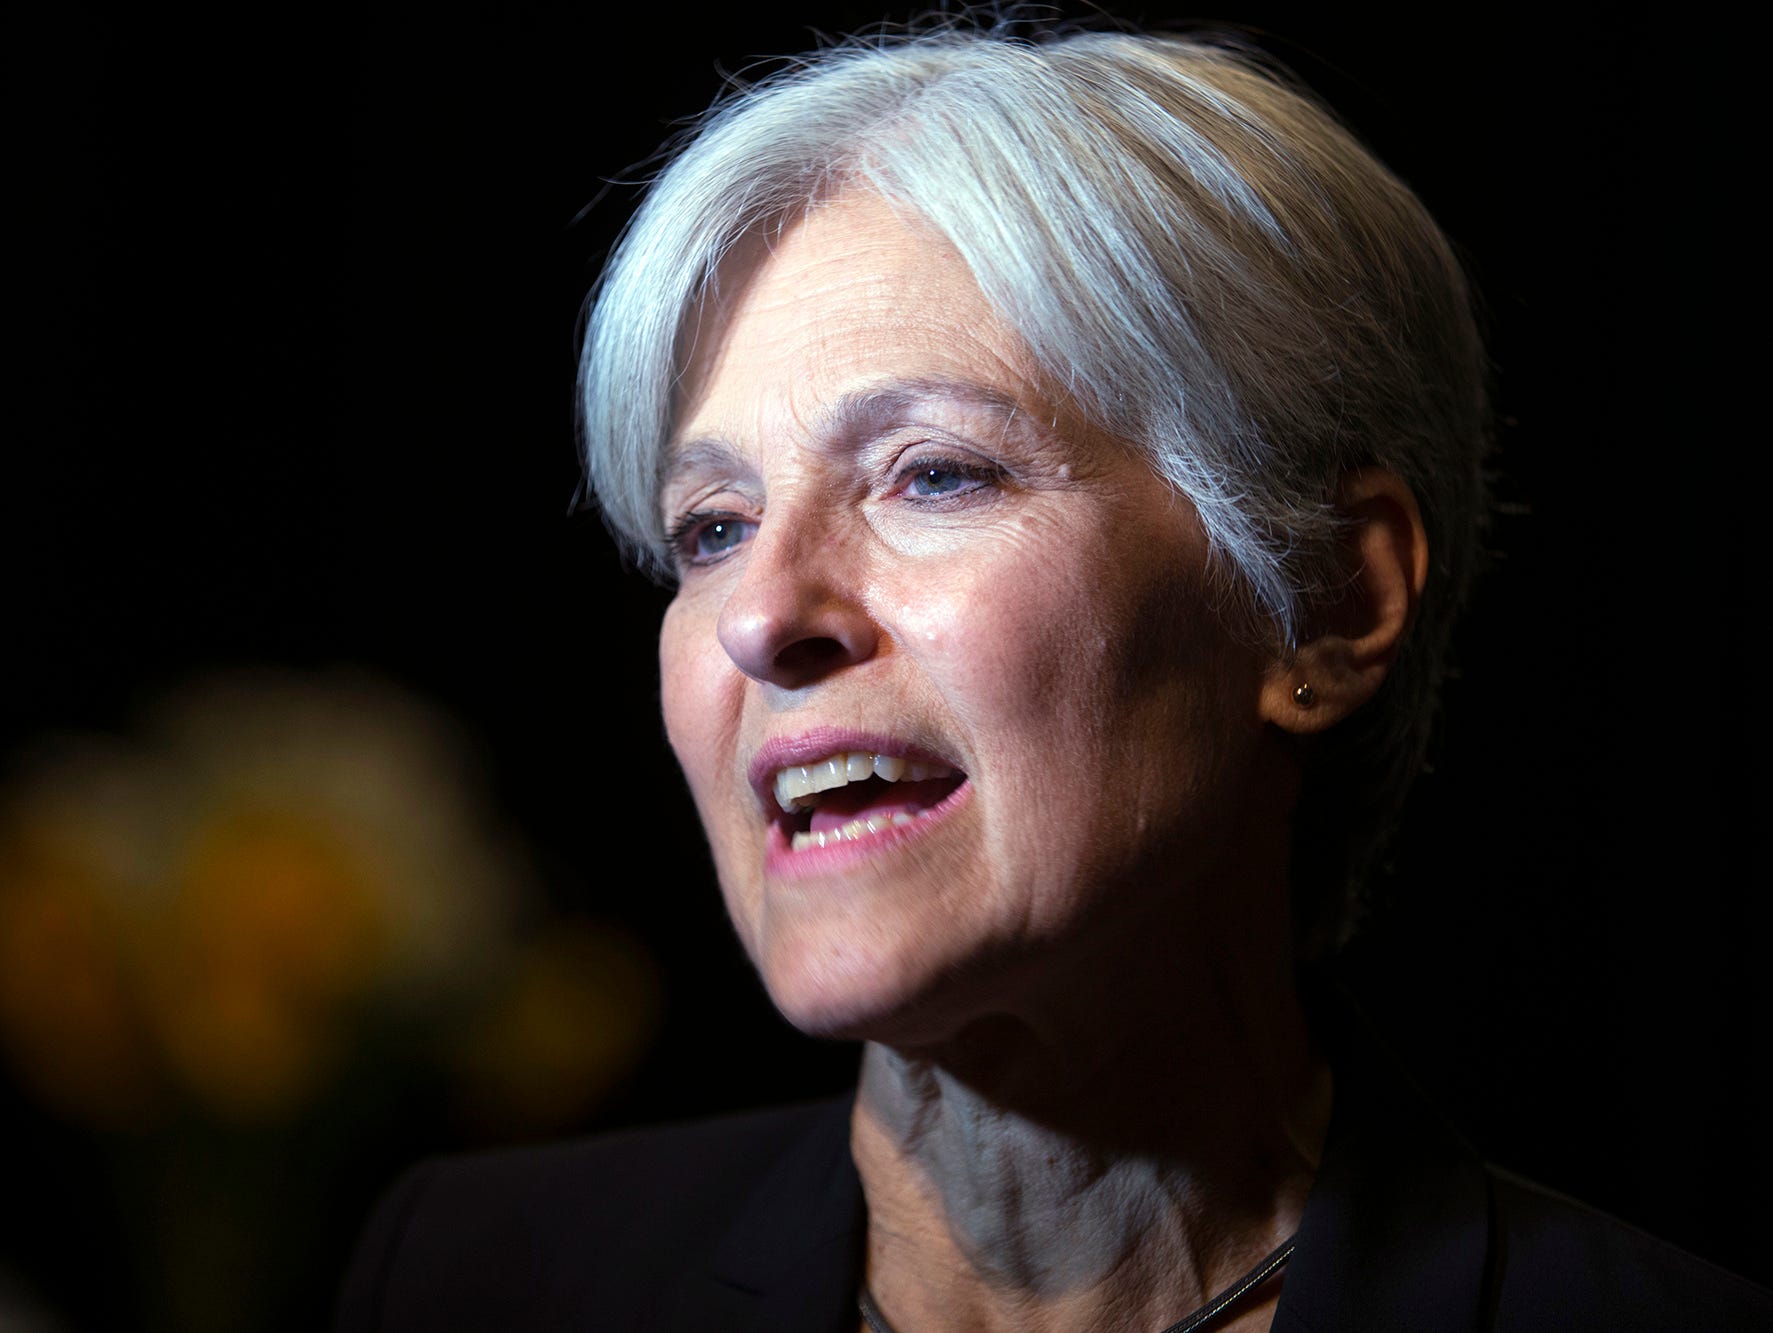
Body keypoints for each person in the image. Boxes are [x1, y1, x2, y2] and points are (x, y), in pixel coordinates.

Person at [337, 21, 1771, 1331]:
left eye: (936, 473)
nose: (761, 615)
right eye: (711, 527)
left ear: (1324, 603)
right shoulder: (473, 1278)